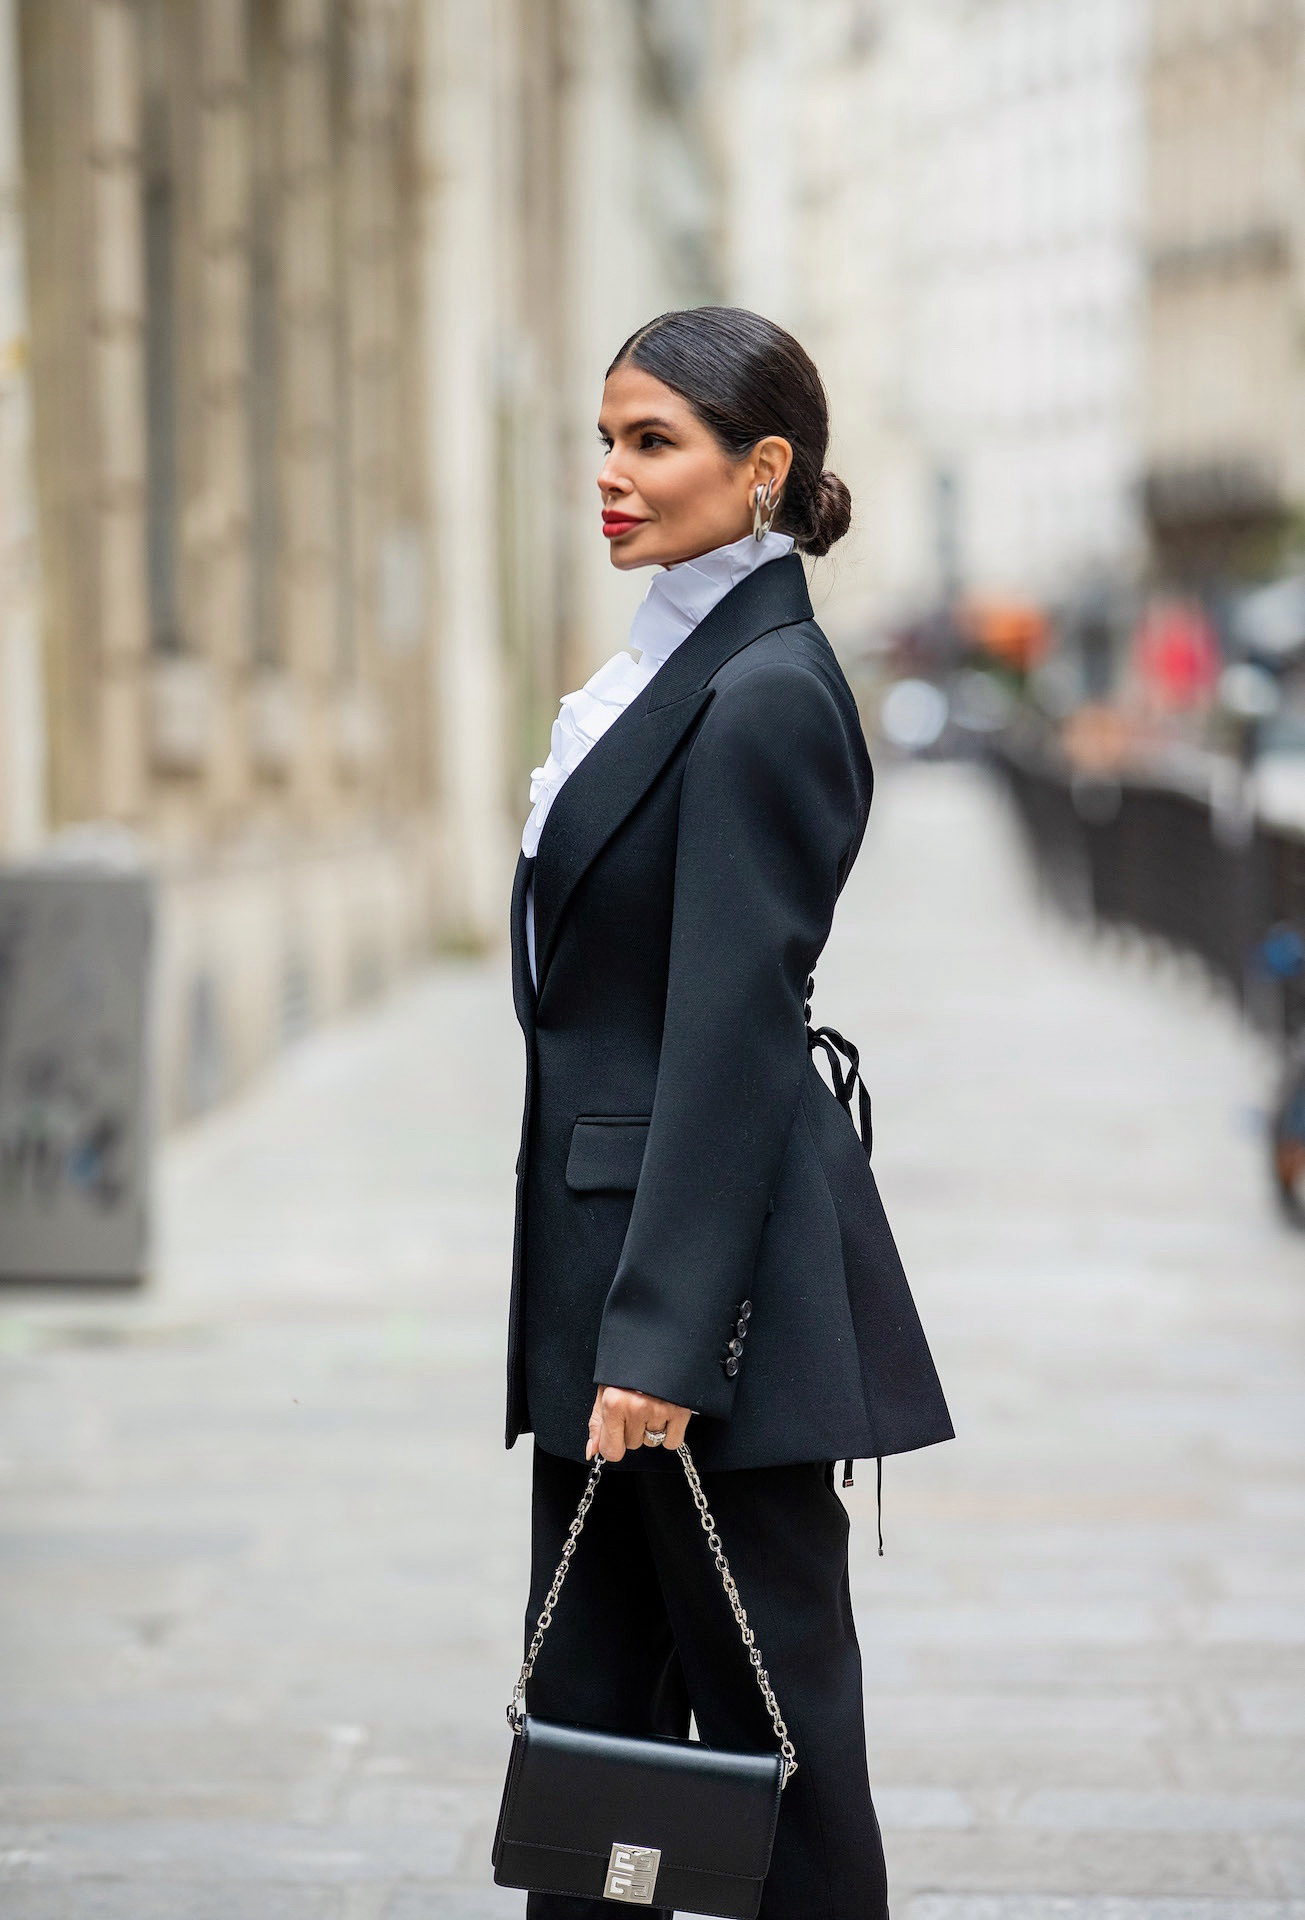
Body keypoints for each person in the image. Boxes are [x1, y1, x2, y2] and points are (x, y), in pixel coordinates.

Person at [506, 306, 953, 1920]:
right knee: (595, 1727)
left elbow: (732, 1033)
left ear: (762, 471)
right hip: (611, 1273)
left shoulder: (761, 692)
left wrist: (664, 1342)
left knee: (776, 1745)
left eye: (652, 443)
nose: (611, 477)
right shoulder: (665, 668)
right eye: (605, 439)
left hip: (697, 1301)